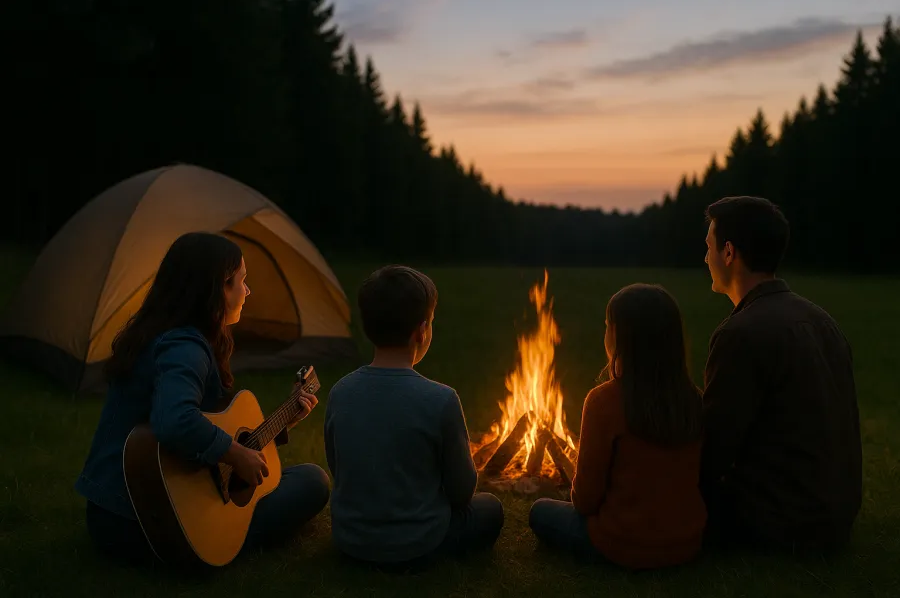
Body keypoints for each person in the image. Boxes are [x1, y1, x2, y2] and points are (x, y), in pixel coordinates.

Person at [74, 232, 330, 565]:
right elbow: (175, 420)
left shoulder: (157, 334)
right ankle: (219, 541)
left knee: (293, 478)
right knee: (312, 481)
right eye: (242, 281)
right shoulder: (184, 348)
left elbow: (204, 424)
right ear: (219, 288)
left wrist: (285, 421)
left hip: (108, 511)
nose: (248, 291)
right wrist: (236, 452)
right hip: (146, 523)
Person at [701, 196, 861, 553]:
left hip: (778, 522)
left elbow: (712, 451)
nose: (705, 258)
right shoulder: (823, 321)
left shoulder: (739, 334)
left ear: (729, 252)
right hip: (834, 516)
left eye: (709, 247)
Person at [324, 265, 503, 570]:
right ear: (421, 331)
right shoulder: (441, 399)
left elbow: (338, 468)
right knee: (491, 509)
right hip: (418, 545)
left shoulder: (341, 391)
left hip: (351, 540)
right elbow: (462, 492)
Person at [529, 284, 707, 570]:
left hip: (622, 545)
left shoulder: (604, 401)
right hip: (686, 543)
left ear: (619, 338)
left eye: (607, 326)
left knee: (540, 512)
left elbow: (585, 501)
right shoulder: (693, 399)